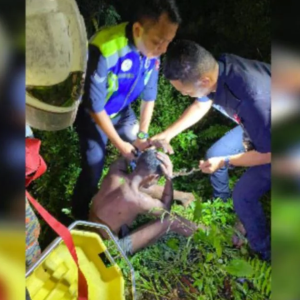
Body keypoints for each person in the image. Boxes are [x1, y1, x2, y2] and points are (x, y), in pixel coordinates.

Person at [151, 40, 271, 261]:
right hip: (259, 127)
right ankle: (223, 207)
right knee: (215, 153)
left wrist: (226, 162)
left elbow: (268, 154)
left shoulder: (252, 98)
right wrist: (167, 134)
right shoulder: (220, 68)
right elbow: (201, 102)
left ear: (204, 80)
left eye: (186, 91)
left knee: (243, 195)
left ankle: (264, 251)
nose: (187, 96)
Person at [72, 0, 181, 220]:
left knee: (143, 153)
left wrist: (142, 135)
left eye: (168, 42)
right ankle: (79, 215)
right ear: (138, 29)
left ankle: (128, 198)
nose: (164, 49)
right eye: (159, 41)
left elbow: (149, 95)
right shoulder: (105, 48)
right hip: (93, 116)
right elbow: (95, 105)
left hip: (122, 111)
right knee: (94, 166)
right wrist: (120, 145)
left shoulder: (152, 51)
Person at [89, 149, 200, 255]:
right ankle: (206, 235)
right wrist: (169, 178)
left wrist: (142, 149)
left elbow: (125, 153)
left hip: (88, 227)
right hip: (107, 249)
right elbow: (165, 210)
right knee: (171, 220)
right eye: (158, 179)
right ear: (154, 177)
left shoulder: (115, 171)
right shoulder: (139, 200)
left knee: (144, 187)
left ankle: (184, 197)